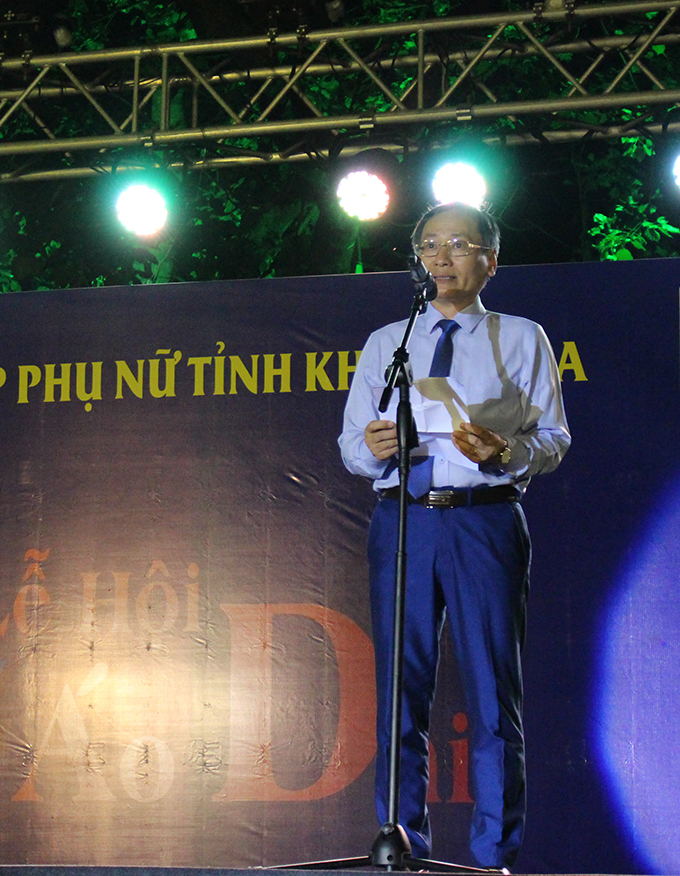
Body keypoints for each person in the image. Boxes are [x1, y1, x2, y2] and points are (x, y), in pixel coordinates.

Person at [338, 202, 570, 869]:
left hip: (484, 517)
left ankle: (494, 852)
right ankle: (398, 845)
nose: (441, 257)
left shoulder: (522, 336)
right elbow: (353, 444)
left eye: (459, 245)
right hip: (403, 518)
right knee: (398, 693)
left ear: (490, 261)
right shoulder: (390, 341)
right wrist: (375, 447)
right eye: (428, 245)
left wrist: (507, 453)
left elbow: (553, 438)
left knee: (493, 692)